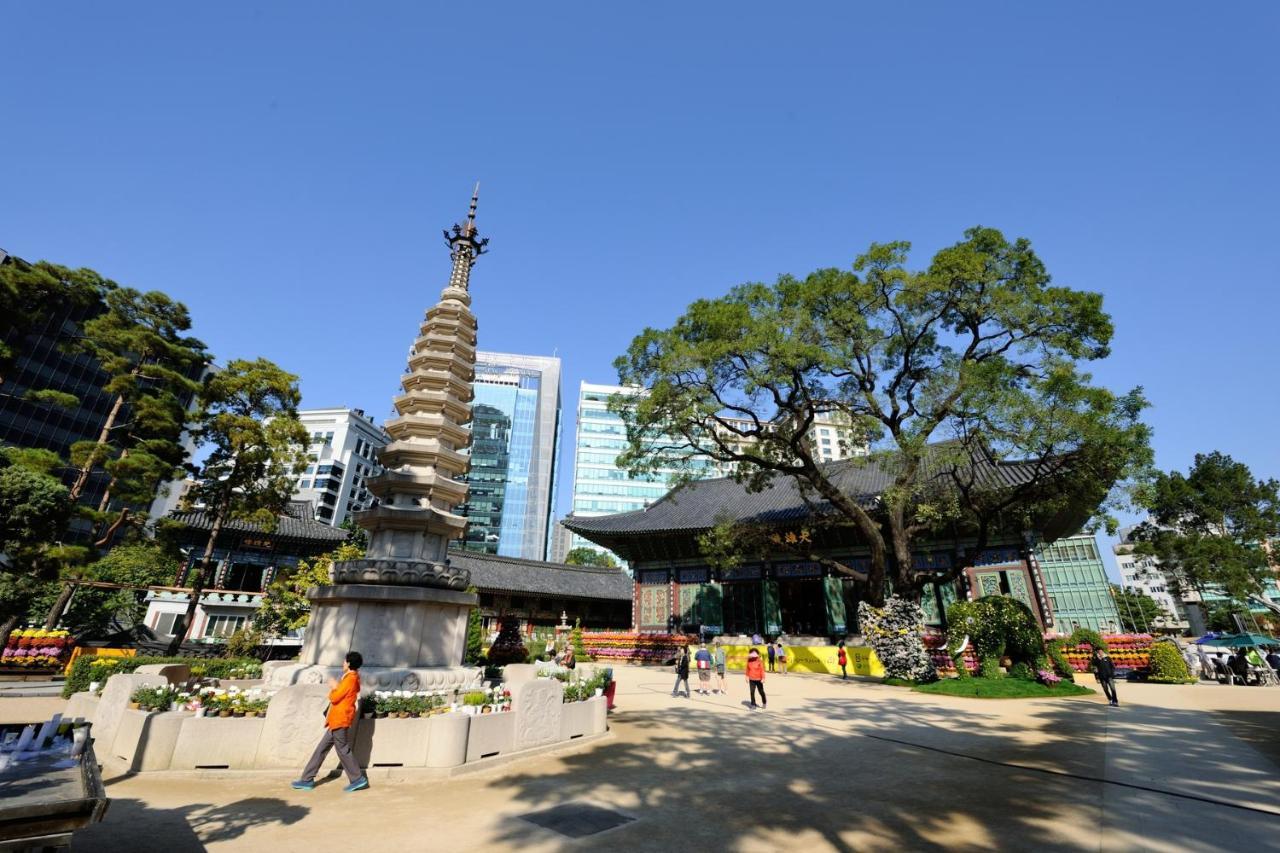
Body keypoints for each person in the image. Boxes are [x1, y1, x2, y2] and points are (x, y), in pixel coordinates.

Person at [292, 651, 368, 792]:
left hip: (340, 719)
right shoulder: (350, 678)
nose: (343, 663)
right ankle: (307, 779)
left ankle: (357, 778)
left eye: (345, 661)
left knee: (342, 750)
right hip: (336, 720)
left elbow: (336, 697)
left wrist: (333, 687)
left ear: (349, 663)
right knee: (321, 749)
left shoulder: (351, 678)